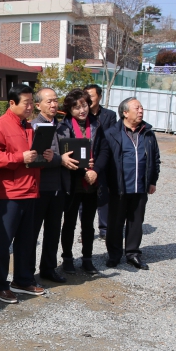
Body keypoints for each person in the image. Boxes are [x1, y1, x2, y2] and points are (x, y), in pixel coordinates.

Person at [0, 85, 51, 303]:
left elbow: (33, 158)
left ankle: (22, 280)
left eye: (32, 102)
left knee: (26, 240)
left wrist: (45, 156)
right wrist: (19, 157)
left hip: (31, 190)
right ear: (12, 103)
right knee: (4, 242)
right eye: (27, 103)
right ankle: (0, 285)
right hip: (10, 193)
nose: (31, 107)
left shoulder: (31, 127)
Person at [92, 97, 160, 270]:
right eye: (136, 108)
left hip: (140, 186)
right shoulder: (111, 133)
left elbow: (155, 159)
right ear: (125, 112)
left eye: (141, 108)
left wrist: (152, 181)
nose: (140, 111)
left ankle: (133, 254)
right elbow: (105, 160)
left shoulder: (148, 133)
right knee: (115, 222)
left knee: (136, 221)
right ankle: (114, 254)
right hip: (118, 187)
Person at [31, 87, 71, 283]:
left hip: (59, 188)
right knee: (32, 232)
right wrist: (58, 160)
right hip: (39, 188)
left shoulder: (64, 127)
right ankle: (27, 272)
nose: (54, 104)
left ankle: (48, 268)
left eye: (55, 100)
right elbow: (37, 158)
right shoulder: (33, 127)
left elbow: (70, 154)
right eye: (49, 101)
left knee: (54, 231)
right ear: (38, 105)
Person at [59, 88, 103, 274]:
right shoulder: (64, 127)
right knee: (69, 223)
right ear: (69, 110)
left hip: (92, 183)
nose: (82, 110)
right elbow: (64, 156)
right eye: (76, 107)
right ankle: (67, 258)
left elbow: (104, 151)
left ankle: (87, 258)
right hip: (73, 182)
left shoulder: (97, 124)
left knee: (88, 224)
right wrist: (83, 169)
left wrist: (95, 170)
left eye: (84, 105)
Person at [86, 83, 117, 239]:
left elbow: (111, 138)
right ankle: (86, 230)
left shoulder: (109, 115)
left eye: (91, 95)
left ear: (99, 96)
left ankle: (104, 229)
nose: (88, 99)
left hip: (103, 161)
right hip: (87, 161)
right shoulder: (82, 114)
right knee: (84, 199)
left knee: (103, 195)